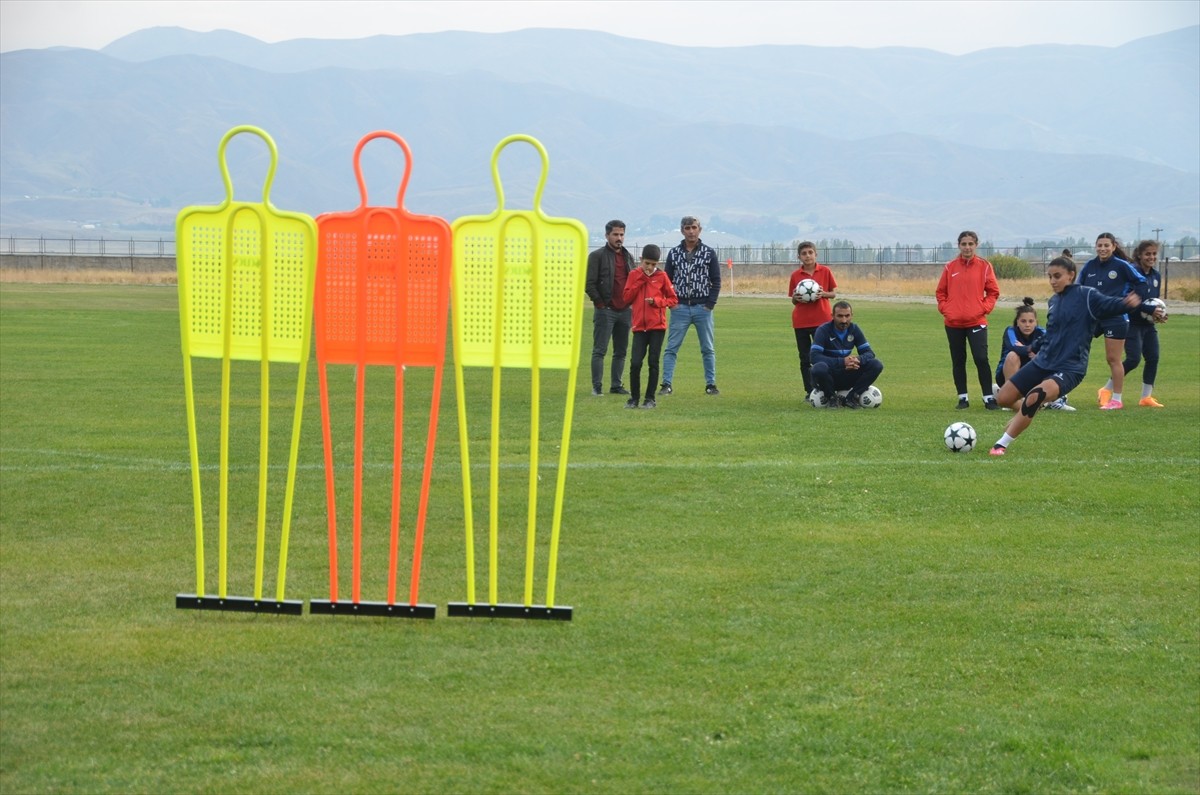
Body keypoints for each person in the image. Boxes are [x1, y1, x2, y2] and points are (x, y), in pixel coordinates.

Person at [989, 256, 1164, 456]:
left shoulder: (1087, 295)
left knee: (1036, 395)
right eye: (1050, 277)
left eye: (1057, 276)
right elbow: (1053, 332)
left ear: (1071, 275)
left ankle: (1000, 445)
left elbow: (1112, 304)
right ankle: (1027, 411)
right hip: (1044, 361)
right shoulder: (1054, 301)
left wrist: (1138, 305)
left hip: (1069, 367)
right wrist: (1034, 347)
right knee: (1003, 397)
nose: (1053, 281)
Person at [1076, 232, 1148, 410]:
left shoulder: (1122, 266)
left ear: (1113, 246)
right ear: (1095, 247)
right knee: (1073, 351)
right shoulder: (1089, 266)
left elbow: (1141, 283)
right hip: (1092, 317)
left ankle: (1116, 399)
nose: (1102, 248)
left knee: (1113, 359)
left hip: (1116, 317)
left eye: (1106, 245)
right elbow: (1078, 288)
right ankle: (1060, 396)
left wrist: (1136, 297)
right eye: (1099, 245)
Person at [936, 231, 1001, 411]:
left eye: (970, 244)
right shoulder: (950, 267)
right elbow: (941, 292)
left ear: (976, 245)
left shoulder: (984, 266)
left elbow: (993, 292)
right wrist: (946, 310)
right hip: (953, 323)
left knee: (981, 359)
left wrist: (983, 308)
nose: (967, 247)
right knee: (958, 360)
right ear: (959, 245)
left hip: (976, 322)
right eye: (964, 244)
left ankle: (988, 398)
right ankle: (962, 398)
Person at [660, 215, 722, 396]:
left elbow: (716, 280)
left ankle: (711, 384)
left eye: (694, 227)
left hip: (702, 307)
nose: (691, 231)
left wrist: (710, 305)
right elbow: (667, 281)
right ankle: (666, 383)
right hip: (679, 308)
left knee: (707, 348)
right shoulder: (674, 253)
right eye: (687, 228)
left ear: (699, 230)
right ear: (682, 230)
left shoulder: (709, 253)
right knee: (672, 347)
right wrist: (672, 304)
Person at [621, 244, 678, 409]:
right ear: (641, 260)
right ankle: (634, 398)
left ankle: (650, 398)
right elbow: (626, 297)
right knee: (635, 363)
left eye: (653, 264)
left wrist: (658, 302)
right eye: (647, 263)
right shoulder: (634, 275)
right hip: (639, 327)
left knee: (653, 362)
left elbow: (673, 299)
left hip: (657, 327)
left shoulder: (662, 276)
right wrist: (641, 281)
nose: (650, 267)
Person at [995, 298, 1074, 411]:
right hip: (1006, 375)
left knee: (1054, 358)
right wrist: (1033, 351)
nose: (1027, 325)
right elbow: (1014, 348)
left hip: (1032, 375)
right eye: (1023, 321)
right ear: (1017, 321)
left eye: (1031, 321)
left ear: (1036, 322)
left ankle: (1056, 399)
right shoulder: (1010, 331)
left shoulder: (1042, 332)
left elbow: (1052, 350)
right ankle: (1011, 397)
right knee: (1012, 355)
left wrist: (1026, 349)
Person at [584, 220, 634, 397]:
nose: (619, 238)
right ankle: (597, 387)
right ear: (607, 236)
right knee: (600, 350)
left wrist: (631, 304)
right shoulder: (596, 256)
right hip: (606, 311)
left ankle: (616, 385)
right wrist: (600, 303)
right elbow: (589, 283)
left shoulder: (628, 257)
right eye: (615, 234)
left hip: (625, 311)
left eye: (621, 234)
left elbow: (633, 283)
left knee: (621, 351)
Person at [809, 301, 884, 409]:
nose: (844, 320)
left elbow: (869, 353)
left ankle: (852, 397)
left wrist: (858, 359)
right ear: (832, 316)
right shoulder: (823, 330)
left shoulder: (854, 329)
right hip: (828, 376)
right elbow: (814, 357)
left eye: (847, 316)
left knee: (876, 365)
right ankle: (831, 398)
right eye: (840, 316)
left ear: (851, 316)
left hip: (847, 374)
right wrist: (842, 362)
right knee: (818, 368)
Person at [787, 241, 838, 398]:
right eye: (804, 253)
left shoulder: (825, 271)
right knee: (805, 357)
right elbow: (793, 299)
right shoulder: (796, 275)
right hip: (801, 321)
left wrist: (822, 294)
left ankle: (827, 388)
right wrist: (796, 298)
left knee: (825, 356)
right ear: (799, 257)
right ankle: (810, 391)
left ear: (816, 254)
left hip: (822, 321)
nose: (807, 256)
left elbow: (834, 293)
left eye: (810, 252)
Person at [1122, 240, 1166, 407]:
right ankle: (1106, 389)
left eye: (1154, 254)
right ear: (1139, 255)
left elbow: (1154, 302)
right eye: (1148, 254)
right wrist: (1149, 310)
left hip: (1148, 325)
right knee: (1133, 359)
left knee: (1153, 358)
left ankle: (1146, 397)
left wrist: (1159, 315)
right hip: (1131, 323)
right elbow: (1127, 301)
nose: (1151, 257)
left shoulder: (1156, 276)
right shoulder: (1133, 274)